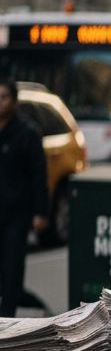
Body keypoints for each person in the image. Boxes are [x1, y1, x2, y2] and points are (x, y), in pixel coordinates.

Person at [0, 78, 47, 317]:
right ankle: (23, 300)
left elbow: (39, 174)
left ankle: (7, 321)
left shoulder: (27, 132)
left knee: (12, 267)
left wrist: (40, 212)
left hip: (17, 213)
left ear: (14, 101)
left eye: (4, 97)